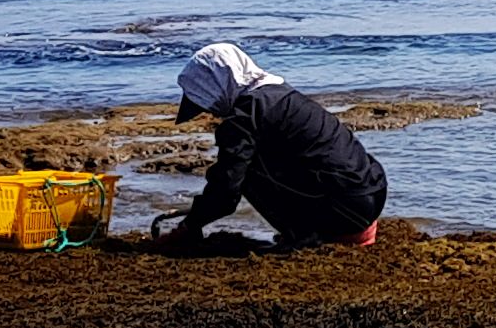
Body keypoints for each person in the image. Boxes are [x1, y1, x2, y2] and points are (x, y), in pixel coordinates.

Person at [155, 43, 390, 251]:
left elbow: (225, 193)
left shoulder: (243, 119)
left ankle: (305, 236)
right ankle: (348, 229)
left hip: (345, 209)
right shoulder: (280, 94)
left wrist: (189, 226)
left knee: (243, 170)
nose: (213, 113)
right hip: (371, 192)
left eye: (208, 104)